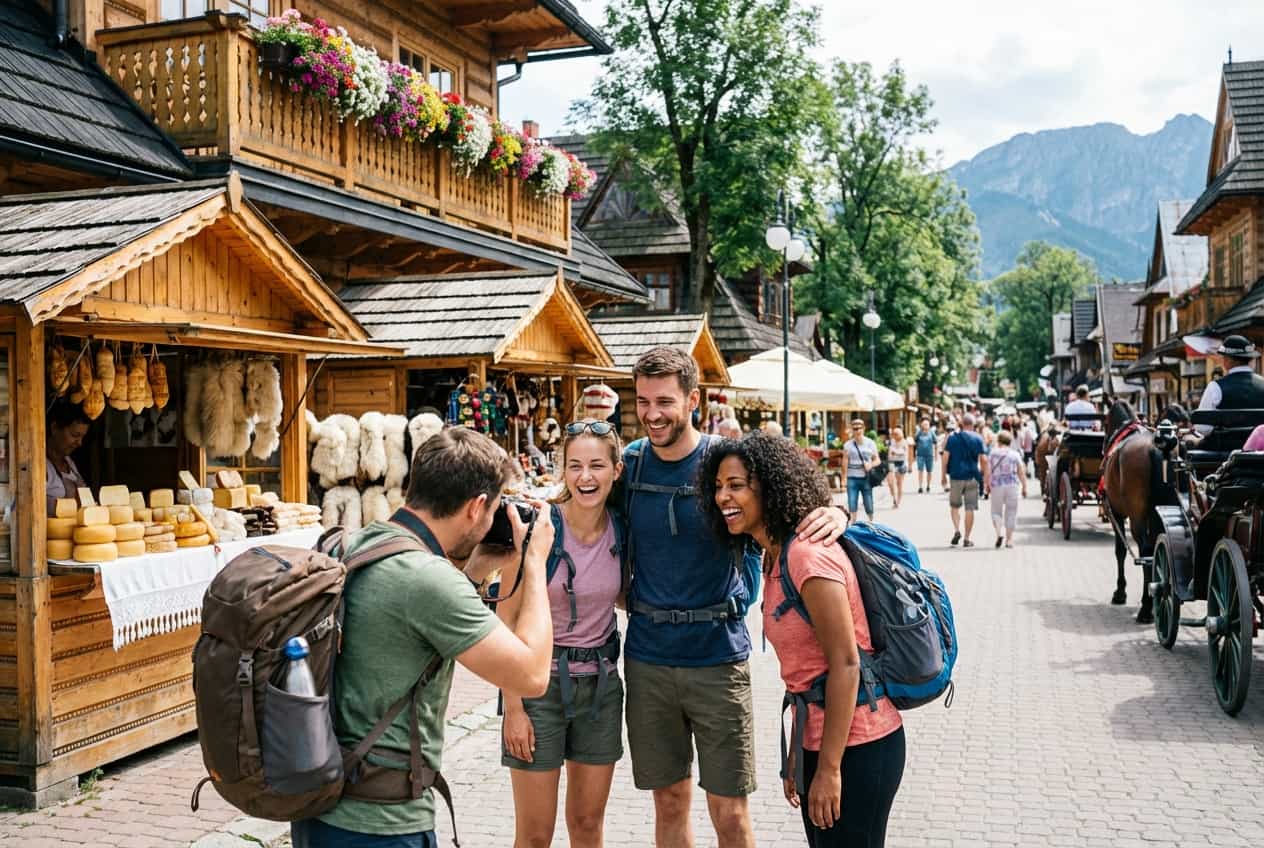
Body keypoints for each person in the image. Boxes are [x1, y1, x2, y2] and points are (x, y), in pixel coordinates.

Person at [621, 347, 847, 848]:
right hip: (647, 659)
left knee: (729, 812)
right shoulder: (630, 467)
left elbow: (795, 503)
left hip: (718, 660)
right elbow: (579, 507)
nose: (652, 414)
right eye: (642, 401)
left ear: (693, 399)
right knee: (670, 803)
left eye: (664, 401)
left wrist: (839, 515)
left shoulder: (725, 461)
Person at [294, 428, 556, 848]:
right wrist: (536, 563)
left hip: (320, 808)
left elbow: (406, 630)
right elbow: (532, 674)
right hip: (382, 824)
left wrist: (473, 572)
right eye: (494, 509)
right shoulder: (428, 580)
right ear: (476, 507)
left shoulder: (357, 544)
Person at [700, 433, 905, 847]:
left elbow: (846, 664)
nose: (723, 496)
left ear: (770, 488)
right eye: (718, 486)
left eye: (736, 485)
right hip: (823, 739)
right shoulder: (773, 553)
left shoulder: (806, 556)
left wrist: (828, 769)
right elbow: (806, 674)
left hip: (860, 744)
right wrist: (801, 752)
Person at [501, 420, 626, 848]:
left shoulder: (622, 529)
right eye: (574, 466)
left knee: (588, 825)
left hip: (602, 687)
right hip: (539, 688)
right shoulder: (538, 527)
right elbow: (506, 619)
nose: (585, 477)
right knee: (536, 835)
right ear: (562, 470)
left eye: (596, 465)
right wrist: (512, 708)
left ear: (616, 470)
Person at [1194, 335, 1264, 436]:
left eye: (1224, 357)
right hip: (1259, 448)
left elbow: (1203, 428)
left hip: (1223, 447)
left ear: (1228, 360)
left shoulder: (1215, 387)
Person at [941, 412, 987, 548]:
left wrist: (943, 475)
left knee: (954, 506)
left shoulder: (952, 438)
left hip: (955, 476)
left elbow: (945, 457)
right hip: (972, 476)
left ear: (962, 424)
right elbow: (984, 459)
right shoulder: (978, 438)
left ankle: (956, 530)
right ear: (973, 425)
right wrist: (984, 476)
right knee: (970, 508)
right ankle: (967, 538)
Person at [46, 401, 91, 516]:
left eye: (82, 437)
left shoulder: (69, 462)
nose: (79, 443)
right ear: (55, 428)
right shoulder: (41, 465)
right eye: (75, 435)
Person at [986, 430, 1027, 549]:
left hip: (997, 485)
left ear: (998, 441)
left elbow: (988, 472)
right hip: (1012, 485)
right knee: (1011, 512)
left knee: (996, 512)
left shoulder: (993, 454)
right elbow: (1021, 472)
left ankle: (999, 533)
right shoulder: (1015, 454)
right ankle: (1009, 540)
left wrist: (986, 485)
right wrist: (1024, 486)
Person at [843, 420, 879, 523]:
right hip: (852, 478)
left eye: (859, 428)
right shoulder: (848, 445)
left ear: (864, 428)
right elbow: (845, 462)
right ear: (852, 430)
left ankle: (871, 522)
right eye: (855, 429)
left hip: (865, 478)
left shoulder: (870, 443)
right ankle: (853, 524)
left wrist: (870, 464)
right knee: (852, 502)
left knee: (868, 502)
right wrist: (844, 478)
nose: (858, 430)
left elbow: (877, 459)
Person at [885, 427, 909, 508]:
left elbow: (903, 453)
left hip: (901, 463)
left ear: (901, 434)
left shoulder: (904, 442)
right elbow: (890, 453)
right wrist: (895, 453)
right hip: (892, 463)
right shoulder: (892, 442)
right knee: (890, 481)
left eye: (896, 434)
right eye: (894, 434)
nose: (895, 435)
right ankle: (894, 497)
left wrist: (895, 452)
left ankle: (897, 502)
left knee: (899, 484)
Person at [913, 418, 937, 494]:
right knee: (920, 471)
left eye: (927, 424)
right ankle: (920, 487)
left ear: (929, 425)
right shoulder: (919, 432)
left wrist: (936, 455)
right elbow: (915, 440)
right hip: (920, 455)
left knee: (929, 471)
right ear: (921, 425)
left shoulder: (931, 432)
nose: (925, 425)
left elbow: (935, 442)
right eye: (924, 424)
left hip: (929, 455)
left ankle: (928, 486)